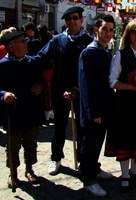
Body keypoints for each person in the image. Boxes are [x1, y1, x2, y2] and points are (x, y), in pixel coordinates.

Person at [37, 6, 93, 175]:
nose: (72, 21)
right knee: (59, 127)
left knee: (82, 129)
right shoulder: (57, 40)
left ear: (81, 20)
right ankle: (56, 158)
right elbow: (41, 58)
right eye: (68, 19)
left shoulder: (89, 41)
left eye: (75, 18)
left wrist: (79, 89)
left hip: (81, 93)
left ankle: (84, 161)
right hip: (60, 92)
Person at [104, 19, 136, 190]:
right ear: (128, 34)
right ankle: (125, 174)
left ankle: (135, 171)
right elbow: (112, 81)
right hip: (125, 105)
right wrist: (131, 87)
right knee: (125, 138)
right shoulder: (121, 54)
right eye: (134, 32)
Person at [0, 30, 44, 189]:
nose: (26, 44)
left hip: (30, 110)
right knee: (13, 145)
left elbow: (41, 81)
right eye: (23, 41)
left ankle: (29, 169)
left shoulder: (32, 62)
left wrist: (40, 87)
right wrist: (4, 94)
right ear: (12, 46)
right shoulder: (2, 65)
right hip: (12, 113)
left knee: (31, 142)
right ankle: (13, 172)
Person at [78, 14, 115, 197]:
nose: (108, 33)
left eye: (110, 30)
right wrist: (94, 111)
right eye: (104, 29)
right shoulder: (90, 52)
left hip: (104, 108)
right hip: (94, 111)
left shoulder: (105, 51)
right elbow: (87, 86)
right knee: (90, 144)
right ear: (96, 30)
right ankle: (88, 179)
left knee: (97, 143)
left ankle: (94, 168)